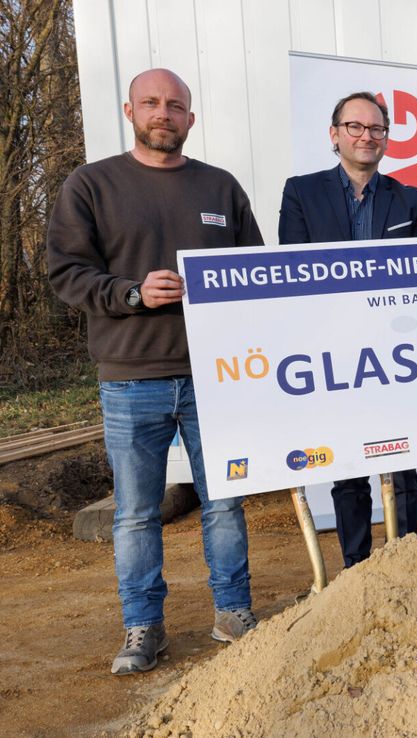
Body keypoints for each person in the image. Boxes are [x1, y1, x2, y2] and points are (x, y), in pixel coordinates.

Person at [46, 69, 262, 675]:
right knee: (136, 513)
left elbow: (255, 275)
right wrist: (135, 294)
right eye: (151, 103)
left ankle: (234, 612)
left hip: (215, 376)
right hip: (129, 376)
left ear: (190, 118)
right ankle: (144, 627)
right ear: (130, 111)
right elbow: (67, 274)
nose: (163, 113)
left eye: (175, 105)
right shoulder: (91, 185)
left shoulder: (220, 188)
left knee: (224, 502)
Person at [278, 91, 417, 568]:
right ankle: (356, 567)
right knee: (348, 468)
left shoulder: (410, 199)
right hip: (333, 354)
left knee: (404, 463)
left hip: (396, 356)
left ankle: (406, 561)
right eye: (355, 127)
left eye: (376, 129)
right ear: (335, 135)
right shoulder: (301, 192)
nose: (366, 137)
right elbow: (293, 270)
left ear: (387, 139)